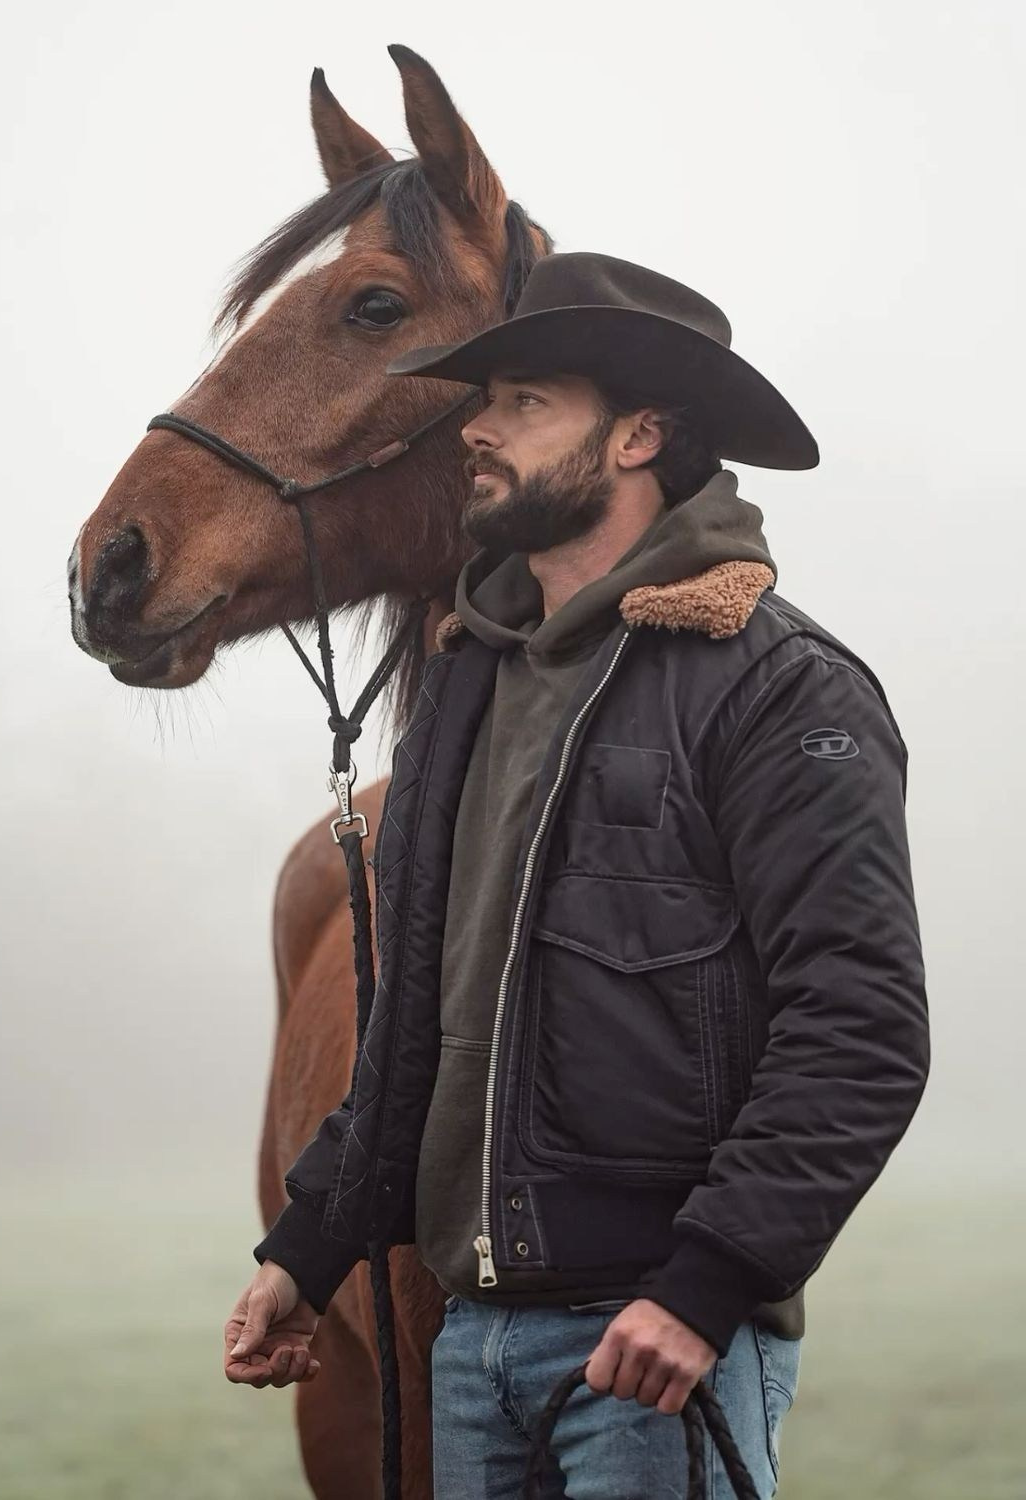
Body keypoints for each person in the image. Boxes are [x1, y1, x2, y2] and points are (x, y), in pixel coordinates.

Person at [222, 252, 930, 1497]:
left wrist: (705, 1289)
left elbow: (860, 1029)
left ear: (637, 436)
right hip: (471, 1345)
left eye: (525, 402)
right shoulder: (464, 689)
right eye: (484, 399)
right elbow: (414, 1023)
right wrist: (309, 1247)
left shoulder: (782, 690)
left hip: (653, 1354)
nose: (475, 429)